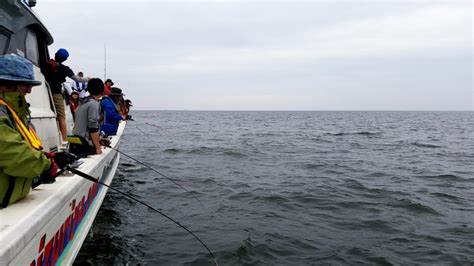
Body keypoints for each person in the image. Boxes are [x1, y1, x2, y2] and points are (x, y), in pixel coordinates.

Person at [0, 54, 73, 208]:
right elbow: (16, 157)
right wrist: (48, 165)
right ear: (7, 84)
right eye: (26, 84)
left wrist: (49, 156)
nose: (29, 90)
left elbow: (21, 146)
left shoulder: (13, 111)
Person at [43, 48, 89, 145]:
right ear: (65, 59)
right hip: (56, 93)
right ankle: (64, 140)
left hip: (44, 91)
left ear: (55, 54)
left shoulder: (46, 64)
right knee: (61, 116)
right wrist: (88, 79)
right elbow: (78, 79)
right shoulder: (65, 69)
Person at [70, 78, 105, 157]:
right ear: (102, 91)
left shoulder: (82, 103)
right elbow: (93, 127)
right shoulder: (94, 104)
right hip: (84, 146)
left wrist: (98, 140)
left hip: (74, 143)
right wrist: (98, 147)